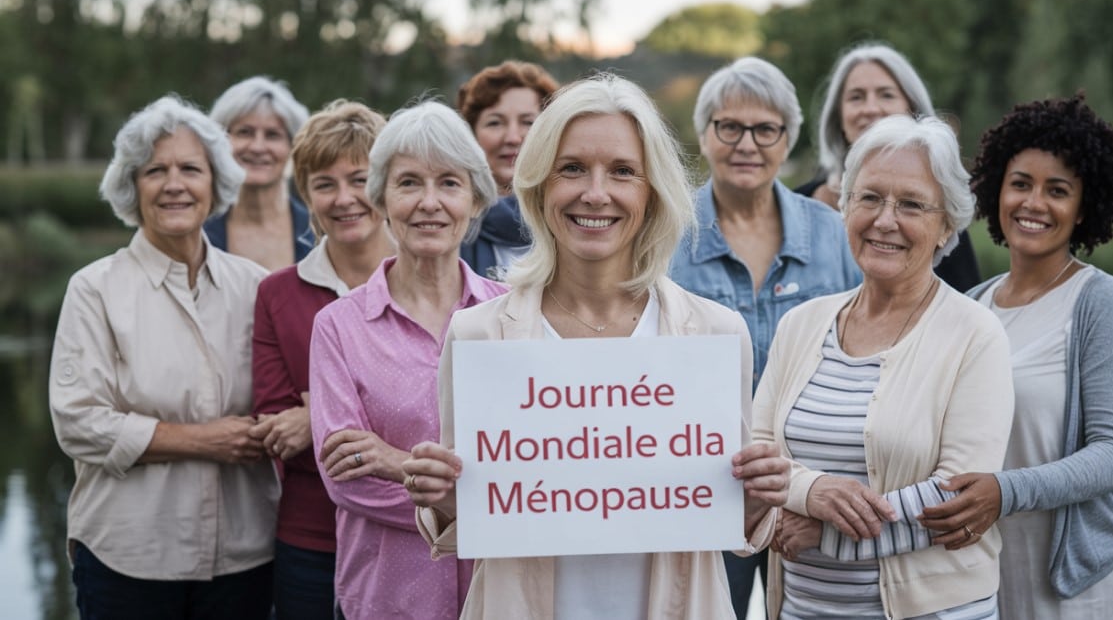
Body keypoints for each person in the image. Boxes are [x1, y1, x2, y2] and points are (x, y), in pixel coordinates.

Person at [399, 74, 791, 619]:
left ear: (652, 191)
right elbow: (470, 518)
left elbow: (732, 523)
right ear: (538, 185)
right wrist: (441, 494)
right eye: (573, 168)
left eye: (623, 171)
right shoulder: (478, 335)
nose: (596, 193)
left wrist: (759, 493)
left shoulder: (715, 335)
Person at [755, 114, 1014, 619]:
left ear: (946, 226)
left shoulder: (976, 335)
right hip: (803, 608)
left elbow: (956, 495)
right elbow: (756, 455)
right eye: (869, 197)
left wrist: (826, 532)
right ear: (846, 206)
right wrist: (812, 492)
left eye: (912, 204)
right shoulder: (800, 324)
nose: (885, 220)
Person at [918, 95, 1113, 618]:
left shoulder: (1101, 303)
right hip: (981, 586)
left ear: (1085, 207)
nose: (1034, 203)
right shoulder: (972, 305)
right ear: (996, 188)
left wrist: (1006, 492)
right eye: (1020, 183)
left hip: (1075, 591)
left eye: (1058, 190)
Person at [49, 95, 276, 619]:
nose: (175, 183)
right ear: (132, 187)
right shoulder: (94, 289)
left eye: (191, 169)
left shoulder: (256, 288)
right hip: (128, 558)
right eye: (156, 170)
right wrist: (207, 440)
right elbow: (79, 422)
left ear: (215, 184)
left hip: (244, 553)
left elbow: (285, 401)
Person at [668, 56, 860, 620]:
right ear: (705, 136)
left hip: (813, 492)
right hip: (697, 491)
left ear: (787, 139)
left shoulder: (835, 234)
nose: (746, 143)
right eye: (729, 126)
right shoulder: (666, 236)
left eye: (765, 129)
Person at [307, 101, 507, 620]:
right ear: (382, 199)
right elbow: (346, 481)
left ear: (475, 198)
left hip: (501, 592)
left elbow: (541, 470)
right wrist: (486, 502)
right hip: (387, 597)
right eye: (409, 183)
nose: (429, 203)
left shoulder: (516, 319)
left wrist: (399, 464)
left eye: (449, 183)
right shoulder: (338, 326)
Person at [249, 100, 392, 620]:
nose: (344, 198)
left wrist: (315, 413)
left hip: (417, 529)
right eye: (324, 183)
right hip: (310, 539)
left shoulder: (434, 284)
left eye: (359, 179)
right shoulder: (277, 294)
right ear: (305, 194)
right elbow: (278, 434)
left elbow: (444, 420)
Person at [797, 43, 981, 292]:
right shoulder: (795, 208)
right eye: (856, 97)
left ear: (913, 112)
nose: (871, 108)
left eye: (886, 94)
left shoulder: (939, 211)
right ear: (838, 118)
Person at [456, 60, 560, 281]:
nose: (513, 137)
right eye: (495, 123)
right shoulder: (448, 226)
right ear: (470, 136)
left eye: (528, 122)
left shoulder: (578, 221)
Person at [207, 76, 313, 271]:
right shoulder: (198, 232)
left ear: (293, 146)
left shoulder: (319, 231)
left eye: (272, 135)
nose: (257, 147)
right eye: (244, 132)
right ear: (220, 142)